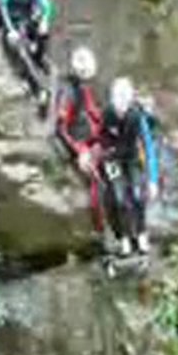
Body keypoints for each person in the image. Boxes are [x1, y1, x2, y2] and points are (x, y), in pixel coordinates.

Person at [98, 77, 160, 257]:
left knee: (138, 196)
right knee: (119, 199)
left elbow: (148, 147)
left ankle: (141, 234)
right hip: (113, 159)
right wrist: (104, 154)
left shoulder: (136, 116)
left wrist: (152, 180)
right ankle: (124, 238)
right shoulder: (107, 114)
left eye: (124, 104)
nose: (121, 109)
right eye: (118, 104)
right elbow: (102, 137)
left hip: (132, 157)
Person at [55, 46, 107, 235]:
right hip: (78, 144)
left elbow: (93, 111)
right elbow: (61, 128)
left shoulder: (82, 89)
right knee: (96, 180)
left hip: (91, 139)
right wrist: (80, 151)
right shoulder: (68, 92)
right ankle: (100, 230)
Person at [0, 0, 56, 110]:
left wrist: (44, 20)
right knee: (20, 51)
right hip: (12, 23)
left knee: (43, 34)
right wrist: (10, 30)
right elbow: (2, 6)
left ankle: (39, 56)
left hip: (27, 20)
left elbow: (46, 5)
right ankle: (39, 89)